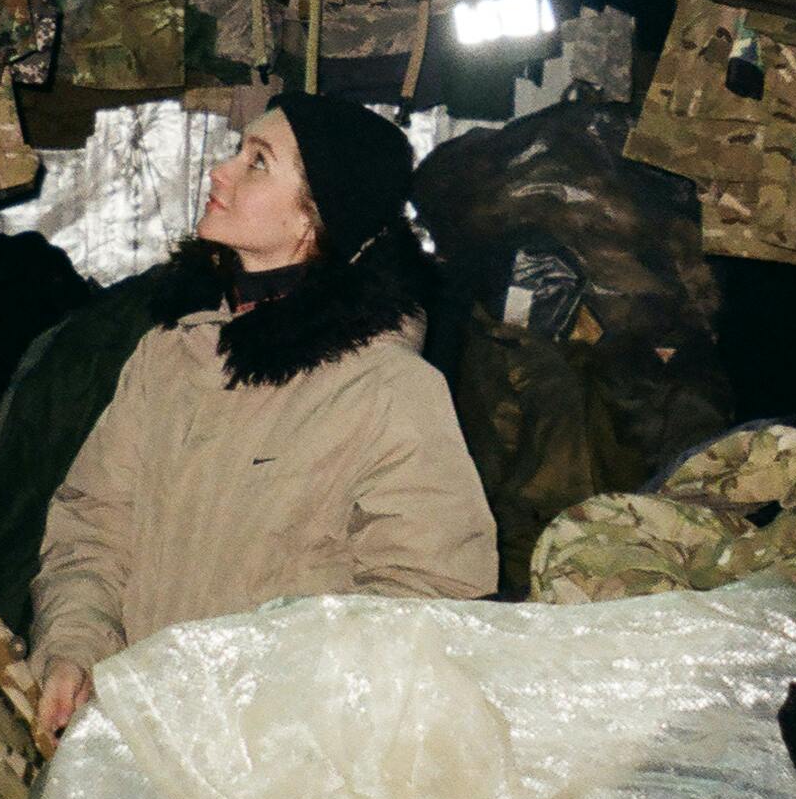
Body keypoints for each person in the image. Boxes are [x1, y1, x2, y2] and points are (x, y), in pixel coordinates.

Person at [30, 94, 495, 738]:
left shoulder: (387, 390)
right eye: (237, 151)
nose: (220, 171)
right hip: (129, 733)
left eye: (257, 162)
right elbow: (92, 528)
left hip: (276, 762)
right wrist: (75, 648)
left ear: (314, 219)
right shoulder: (171, 356)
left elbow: (428, 596)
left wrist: (269, 714)